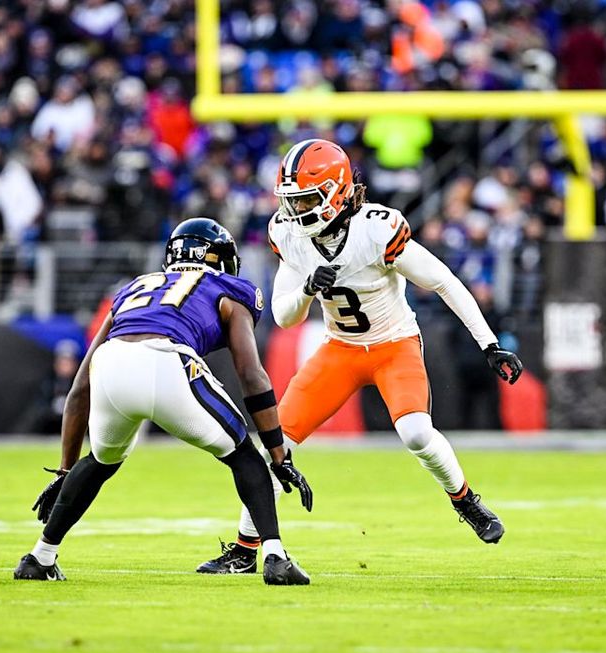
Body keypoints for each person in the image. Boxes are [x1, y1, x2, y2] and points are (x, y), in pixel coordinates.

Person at [198, 140, 523, 575]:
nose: (297, 211)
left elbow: (443, 281)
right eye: (291, 201)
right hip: (340, 349)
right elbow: (283, 315)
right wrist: (308, 288)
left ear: (338, 192)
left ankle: (465, 500)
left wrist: (488, 343)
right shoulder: (289, 233)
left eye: (307, 199)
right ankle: (243, 549)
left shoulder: (377, 228)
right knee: (276, 444)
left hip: (394, 345)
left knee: (415, 433)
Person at [14, 218, 314, 585]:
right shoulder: (230, 288)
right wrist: (279, 454)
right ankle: (274, 557)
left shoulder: (134, 288)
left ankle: (40, 557)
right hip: (165, 359)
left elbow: (79, 388)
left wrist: (65, 470)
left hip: (110, 365)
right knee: (244, 454)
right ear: (217, 257)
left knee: (100, 461)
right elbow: (251, 375)